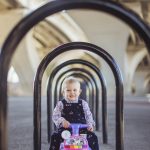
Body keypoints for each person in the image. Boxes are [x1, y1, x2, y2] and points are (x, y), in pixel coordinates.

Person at [49, 76, 99, 150]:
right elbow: (55, 116)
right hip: (66, 130)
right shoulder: (61, 104)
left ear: (79, 92)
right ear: (63, 92)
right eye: (68, 90)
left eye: (75, 90)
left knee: (93, 137)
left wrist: (90, 124)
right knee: (55, 137)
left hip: (82, 129)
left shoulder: (83, 103)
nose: (72, 92)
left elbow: (88, 115)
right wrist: (62, 121)